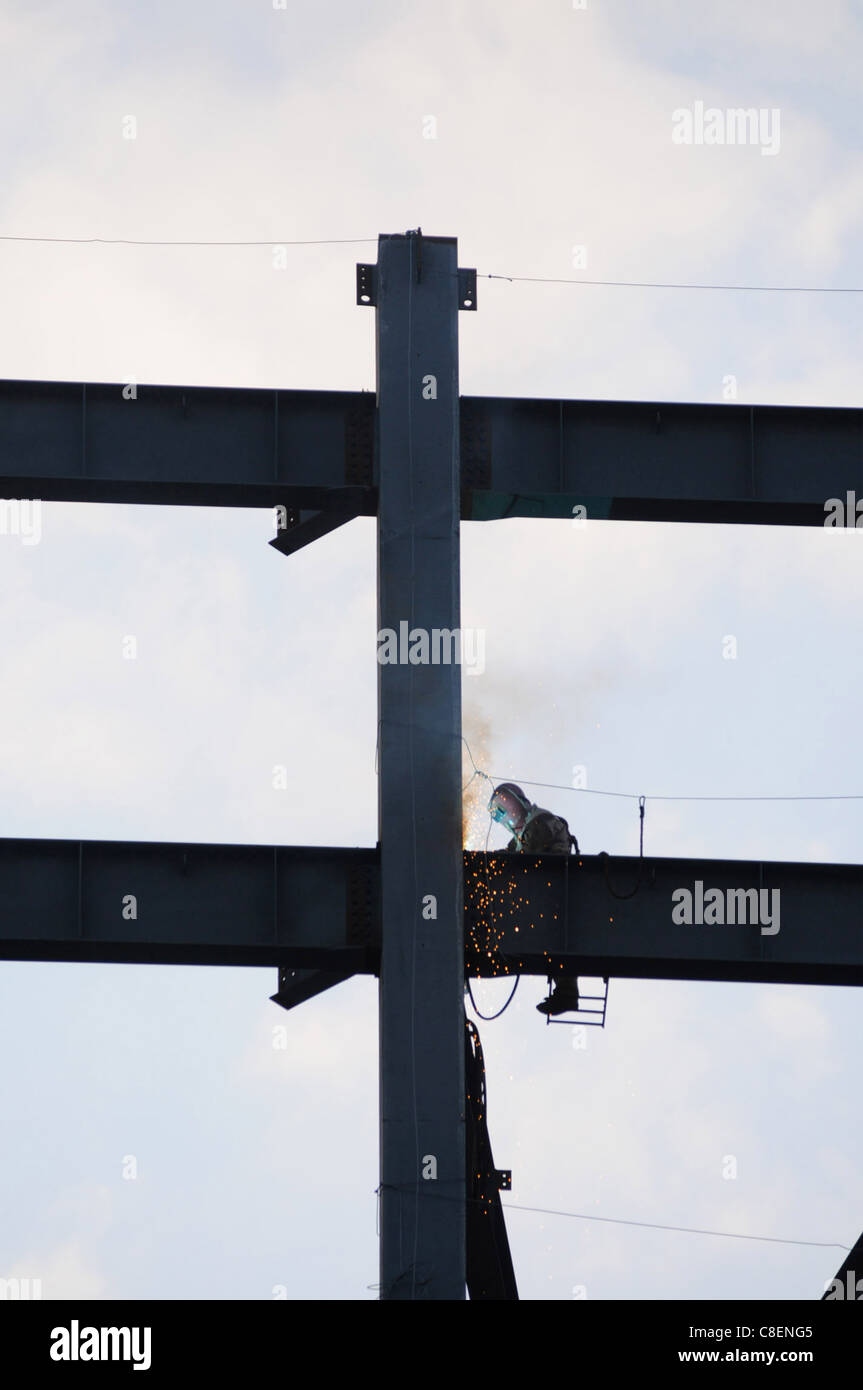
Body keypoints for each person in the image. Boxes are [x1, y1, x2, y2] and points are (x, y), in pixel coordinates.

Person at [487, 782, 581, 1017]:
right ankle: (566, 992)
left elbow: (521, 858)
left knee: (560, 937)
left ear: (520, 802)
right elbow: (509, 856)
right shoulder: (520, 836)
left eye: (508, 806)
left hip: (554, 890)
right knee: (553, 941)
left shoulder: (539, 822)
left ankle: (567, 992)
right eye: (503, 811)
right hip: (540, 895)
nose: (508, 814)